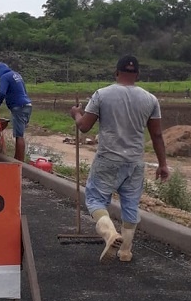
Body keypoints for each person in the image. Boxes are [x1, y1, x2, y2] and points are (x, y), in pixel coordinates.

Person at [69, 54, 170, 263]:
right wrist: (162, 164)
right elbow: (157, 135)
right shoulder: (150, 99)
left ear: (116, 73)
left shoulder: (102, 94)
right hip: (134, 162)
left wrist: (76, 114)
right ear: (138, 75)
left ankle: (109, 234)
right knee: (130, 205)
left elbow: (84, 127)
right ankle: (125, 252)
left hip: (108, 158)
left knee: (96, 199)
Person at [0, 62, 32, 161]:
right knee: (20, 133)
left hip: (18, 107)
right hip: (27, 105)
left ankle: (19, 162)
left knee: (19, 135)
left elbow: (1, 93)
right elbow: (24, 91)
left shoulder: (5, 77)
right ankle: (18, 160)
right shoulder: (16, 75)